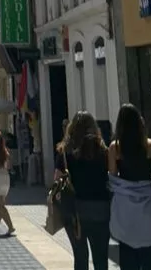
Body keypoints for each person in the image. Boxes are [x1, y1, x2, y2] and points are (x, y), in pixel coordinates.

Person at [108, 104, 151, 270]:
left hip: (126, 209)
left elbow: (112, 177)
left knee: (128, 258)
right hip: (149, 207)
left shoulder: (115, 148)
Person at [61, 111, 112, 269]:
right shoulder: (104, 151)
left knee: (80, 258)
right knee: (101, 257)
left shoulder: (66, 152)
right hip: (101, 210)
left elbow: (57, 178)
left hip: (75, 212)